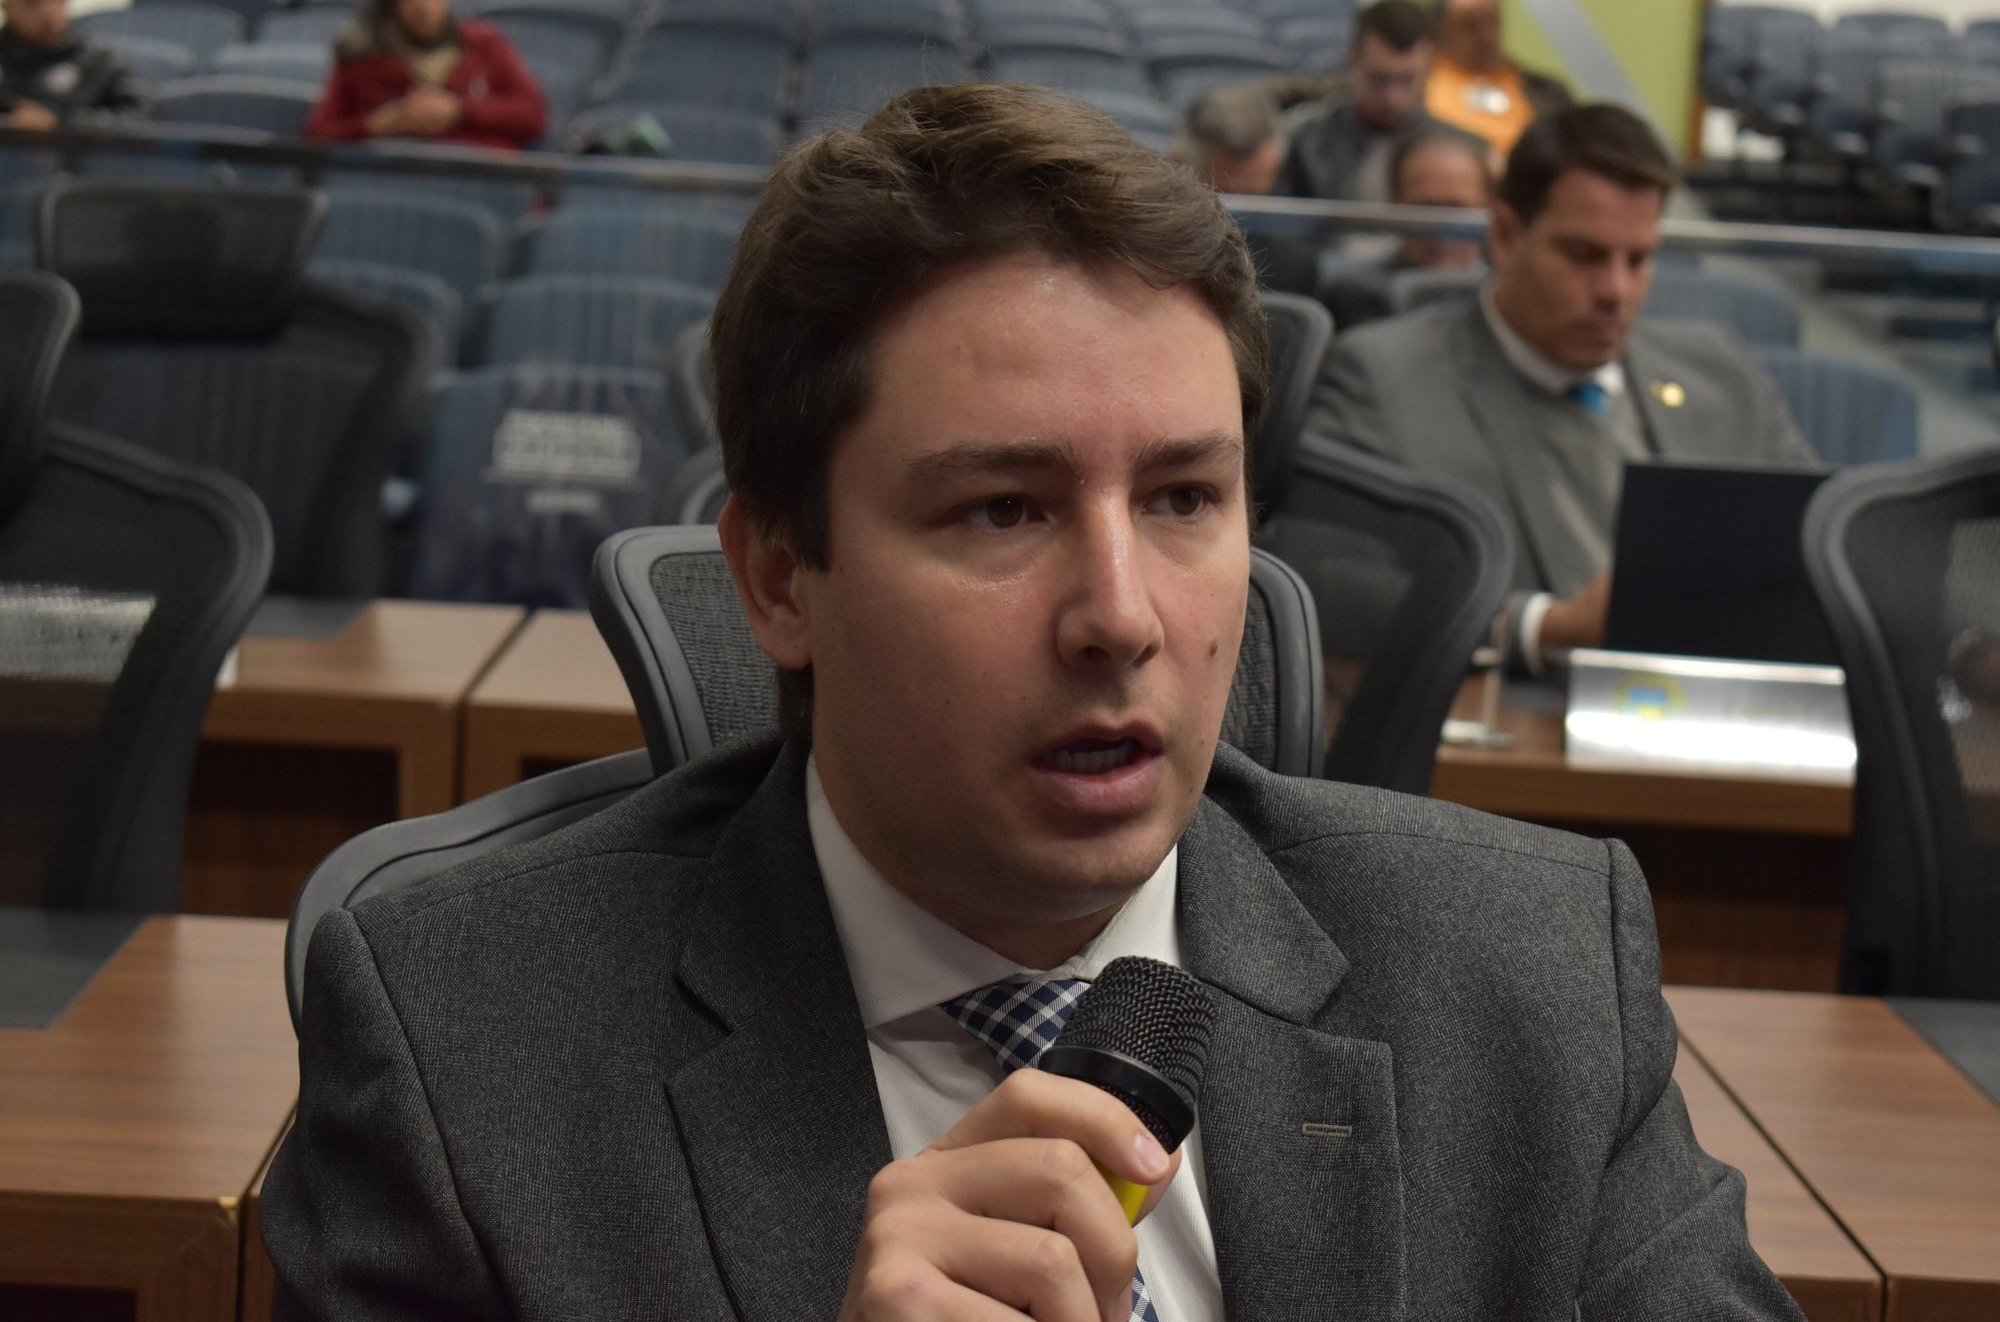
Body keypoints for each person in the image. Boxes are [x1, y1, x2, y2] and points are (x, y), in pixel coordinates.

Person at [262, 83, 1805, 1322]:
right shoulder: (461, 1051)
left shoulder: (1532, 981)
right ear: (781, 577)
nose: (1122, 615)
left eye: (1185, 497)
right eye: (1003, 510)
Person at [1305, 103, 1814, 670]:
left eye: (1638, 259)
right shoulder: (1383, 378)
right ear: (1504, 236)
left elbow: (1818, 550)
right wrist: (1536, 627)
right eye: (1585, 256)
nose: (1615, 290)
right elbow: (1324, 576)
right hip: (1518, 712)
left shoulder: (1721, 371)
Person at [1272, 0, 1470, 205]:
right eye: (1379, 79)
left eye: (1407, 80)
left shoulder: (1463, 154)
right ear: (1353, 60)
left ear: (1429, 68)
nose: (1392, 99)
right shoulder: (1307, 144)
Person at [307, 0, 545, 151]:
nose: (424, 5)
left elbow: (532, 115)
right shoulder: (358, 57)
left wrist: (460, 111)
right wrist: (376, 125)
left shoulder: (483, 42)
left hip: (477, 171)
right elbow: (320, 133)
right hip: (392, 178)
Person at [1321, 127, 1492, 329]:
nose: (1440, 229)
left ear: (1488, 204)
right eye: (1424, 208)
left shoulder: (1511, 290)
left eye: (1456, 208)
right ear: (1396, 203)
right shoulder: (1358, 292)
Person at [1180, 83, 1321, 295]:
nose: (1237, 218)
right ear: (1179, 163)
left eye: (1253, 194)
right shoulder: (1148, 249)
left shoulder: (1294, 264)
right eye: (1222, 193)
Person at [1425, 0, 1573, 157]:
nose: (1486, 35)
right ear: (1441, 30)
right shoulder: (1419, 87)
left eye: (1492, 21)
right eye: (1470, 24)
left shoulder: (1545, 89)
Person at [0, 0, 145, 132]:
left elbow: (140, 118)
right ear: (7, 6)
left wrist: (61, 124)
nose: (47, 9)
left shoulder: (100, 62)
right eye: (32, 0)